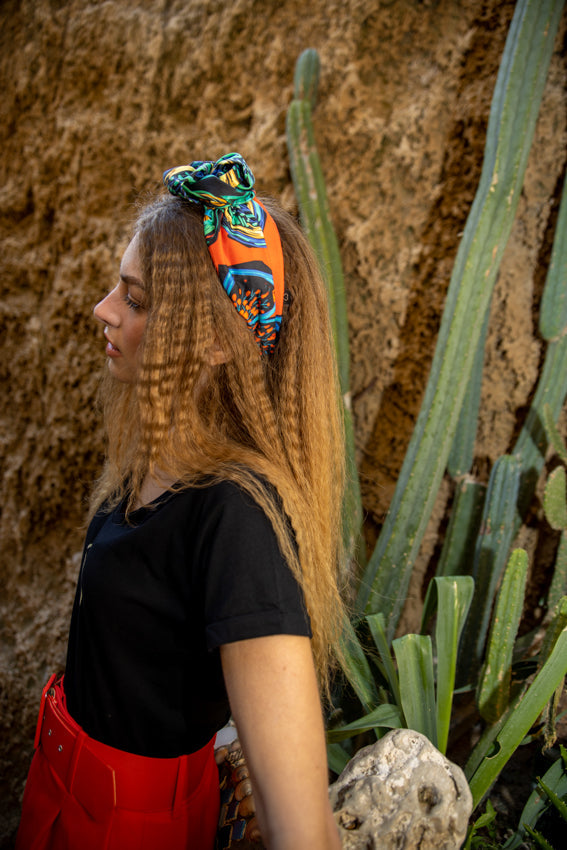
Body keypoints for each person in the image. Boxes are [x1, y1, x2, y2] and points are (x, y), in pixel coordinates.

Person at [16, 153, 346, 850]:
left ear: (215, 342)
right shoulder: (162, 458)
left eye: (136, 300)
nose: (104, 310)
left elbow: (302, 832)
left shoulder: (238, 515)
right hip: (62, 798)